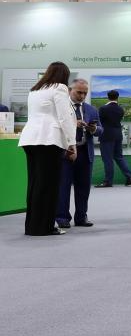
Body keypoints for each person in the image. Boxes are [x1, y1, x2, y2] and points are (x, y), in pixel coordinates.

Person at [19, 62, 78, 236]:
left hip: (29, 139)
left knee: (35, 183)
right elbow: (64, 117)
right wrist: (72, 143)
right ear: (64, 75)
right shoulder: (59, 88)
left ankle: (32, 226)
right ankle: (45, 227)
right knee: (49, 185)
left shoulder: (35, 90)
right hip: (49, 139)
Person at [56, 78, 103, 229]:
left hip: (84, 152)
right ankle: (62, 217)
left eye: (85, 93)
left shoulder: (91, 109)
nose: (82, 96)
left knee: (83, 187)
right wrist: (72, 124)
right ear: (70, 90)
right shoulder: (61, 107)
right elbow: (55, 126)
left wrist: (94, 129)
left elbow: (101, 130)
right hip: (66, 152)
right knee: (63, 186)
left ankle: (81, 217)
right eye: (79, 92)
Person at [96, 89, 131, 187]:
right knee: (119, 157)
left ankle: (108, 181)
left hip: (106, 135)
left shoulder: (103, 108)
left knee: (107, 159)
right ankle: (129, 176)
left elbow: (98, 121)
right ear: (118, 97)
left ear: (108, 97)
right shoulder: (120, 109)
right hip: (118, 135)